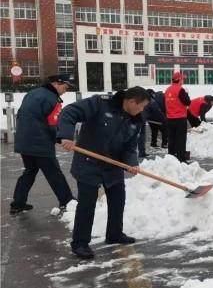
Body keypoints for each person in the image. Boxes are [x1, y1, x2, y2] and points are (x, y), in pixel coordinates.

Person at [56, 87, 150, 259]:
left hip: (112, 165)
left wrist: (131, 163)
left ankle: (114, 234)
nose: (143, 110)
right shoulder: (100, 104)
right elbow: (70, 112)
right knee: (87, 205)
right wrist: (66, 135)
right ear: (132, 102)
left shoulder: (136, 120)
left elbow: (130, 146)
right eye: (142, 106)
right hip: (88, 162)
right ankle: (80, 243)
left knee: (118, 199)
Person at [10, 74, 76, 215]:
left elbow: (21, 115)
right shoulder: (52, 99)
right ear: (57, 83)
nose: (66, 91)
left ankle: (17, 203)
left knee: (29, 171)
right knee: (54, 173)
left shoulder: (33, 93)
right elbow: (53, 124)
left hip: (24, 141)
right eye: (65, 87)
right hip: (40, 143)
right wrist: (60, 138)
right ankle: (67, 201)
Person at [165, 71, 191, 162]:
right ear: (179, 79)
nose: (183, 81)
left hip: (170, 118)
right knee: (181, 139)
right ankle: (181, 159)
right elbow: (187, 102)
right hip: (180, 118)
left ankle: (171, 157)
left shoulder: (168, 90)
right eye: (182, 79)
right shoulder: (180, 90)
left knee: (171, 138)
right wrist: (187, 94)